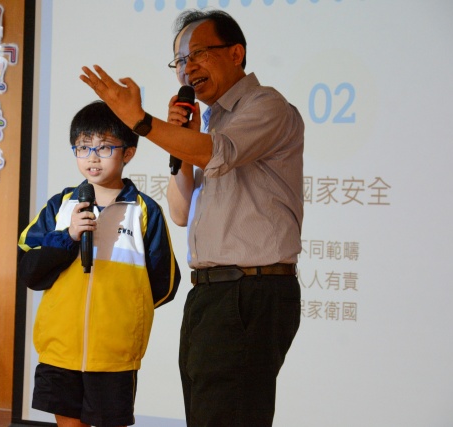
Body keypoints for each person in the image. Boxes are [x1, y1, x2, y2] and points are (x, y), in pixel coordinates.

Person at [80, 8, 303, 426]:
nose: (188, 68)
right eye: (180, 60)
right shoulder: (212, 124)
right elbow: (181, 212)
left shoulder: (266, 105)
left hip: (250, 290)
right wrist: (181, 144)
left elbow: (219, 154)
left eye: (198, 53)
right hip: (210, 293)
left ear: (236, 53)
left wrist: (141, 122)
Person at [17, 100, 181, 427]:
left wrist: (126, 312)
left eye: (104, 147)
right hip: (59, 348)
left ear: (128, 153)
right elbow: (29, 270)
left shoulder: (144, 211)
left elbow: (164, 282)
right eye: (83, 147)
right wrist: (68, 237)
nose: (92, 157)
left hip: (114, 354)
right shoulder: (60, 206)